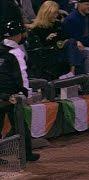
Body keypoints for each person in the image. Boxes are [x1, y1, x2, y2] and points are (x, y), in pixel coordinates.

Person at [0, 20, 40, 162]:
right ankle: (26, 154)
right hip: (11, 95)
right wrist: (26, 93)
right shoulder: (15, 51)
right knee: (20, 124)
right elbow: (22, 74)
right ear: (16, 35)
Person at [29, 1, 86, 79]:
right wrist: (47, 39)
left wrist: (76, 42)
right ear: (46, 13)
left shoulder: (58, 25)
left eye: (57, 13)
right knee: (75, 50)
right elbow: (37, 48)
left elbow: (65, 38)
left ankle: (74, 75)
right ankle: (76, 76)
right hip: (48, 54)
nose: (56, 15)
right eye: (54, 13)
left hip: (60, 49)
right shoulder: (36, 28)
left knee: (76, 46)